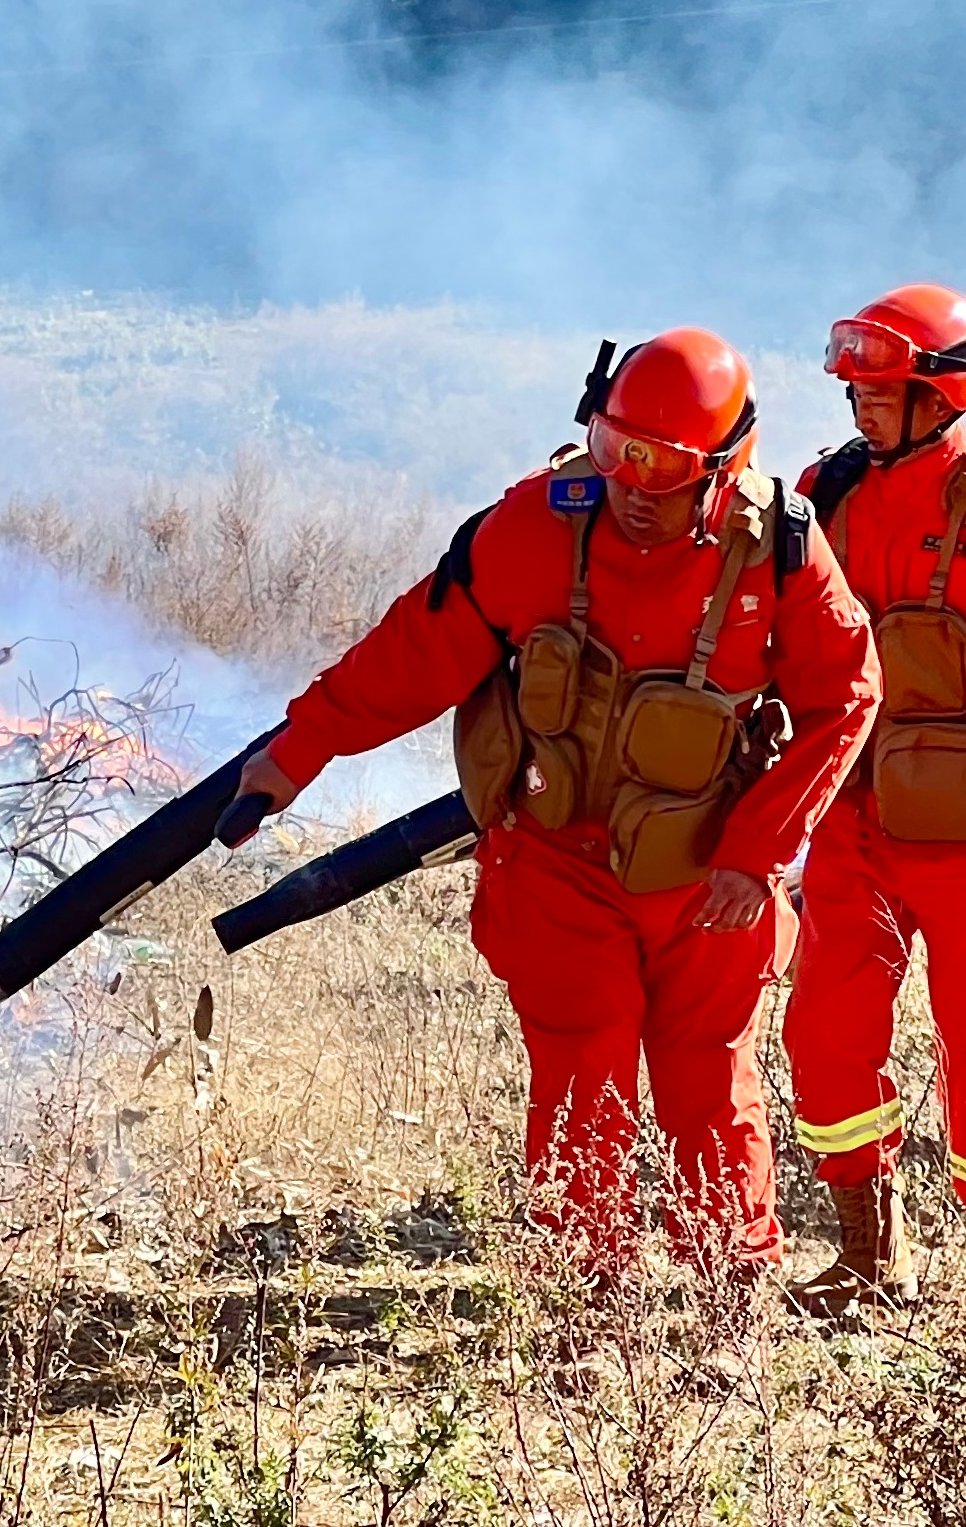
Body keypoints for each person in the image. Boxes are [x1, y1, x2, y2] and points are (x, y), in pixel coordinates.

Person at [229, 329, 880, 1277]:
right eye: (616, 452)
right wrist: (298, 751)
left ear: (722, 468)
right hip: (553, 864)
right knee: (582, 1072)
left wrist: (756, 851)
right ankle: (584, 1299)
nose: (631, 485)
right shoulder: (537, 522)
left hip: (706, 882)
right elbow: (418, 649)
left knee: (709, 1081)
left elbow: (845, 694)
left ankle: (727, 1300)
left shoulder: (778, 549)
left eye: (660, 467)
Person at [783, 284, 966, 1307]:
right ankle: (870, 1251)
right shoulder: (821, 491)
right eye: (857, 385)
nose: (860, 402)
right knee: (824, 1029)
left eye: (883, 386)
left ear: (937, 394)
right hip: (848, 823)